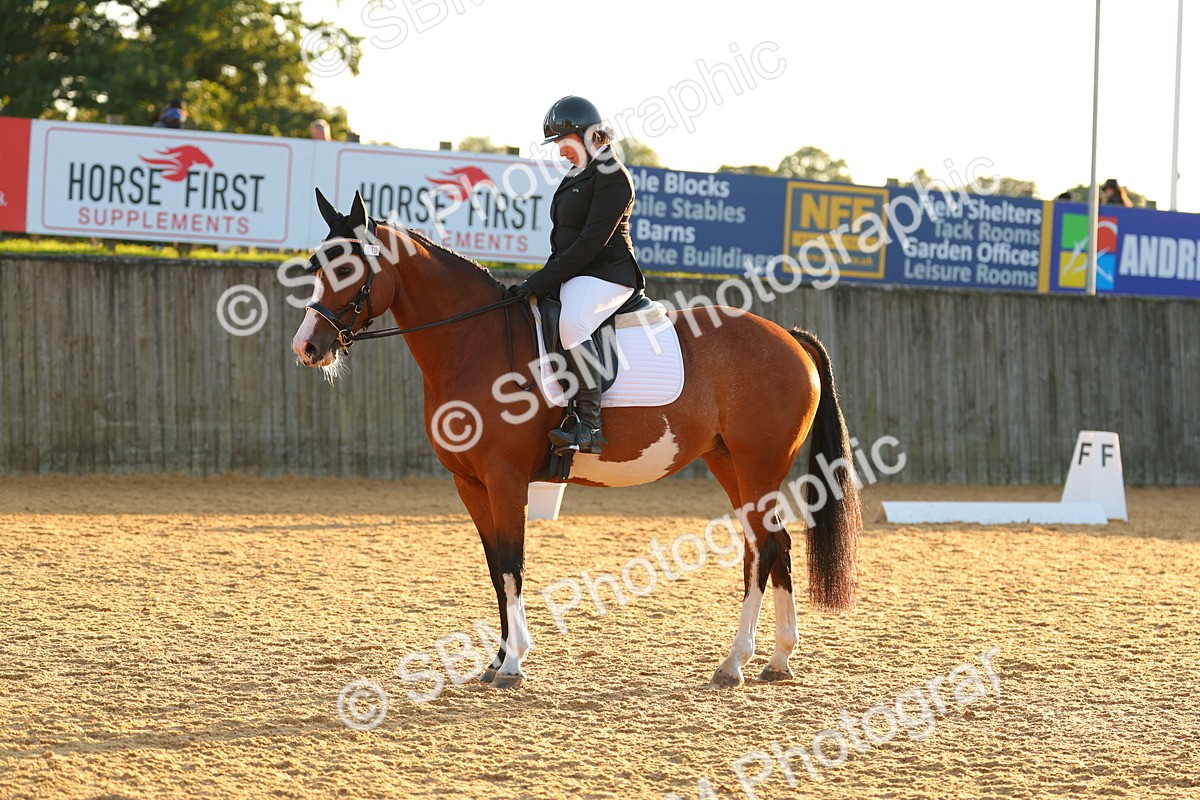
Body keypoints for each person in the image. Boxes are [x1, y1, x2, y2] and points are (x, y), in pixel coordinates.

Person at [506, 96, 646, 455]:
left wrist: (539, 281)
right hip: (579, 272)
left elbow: (588, 244)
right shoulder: (578, 173)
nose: (560, 153)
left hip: (608, 273)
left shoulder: (614, 177)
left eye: (563, 143)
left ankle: (590, 425)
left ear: (587, 135)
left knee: (573, 324)